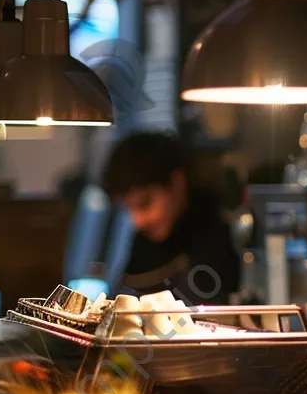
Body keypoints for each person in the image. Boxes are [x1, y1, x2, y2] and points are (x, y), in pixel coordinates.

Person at [102, 130, 240, 305]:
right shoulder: (144, 244)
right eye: (128, 208)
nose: (137, 220)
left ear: (177, 183)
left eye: (145, 204)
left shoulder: (217, 235)